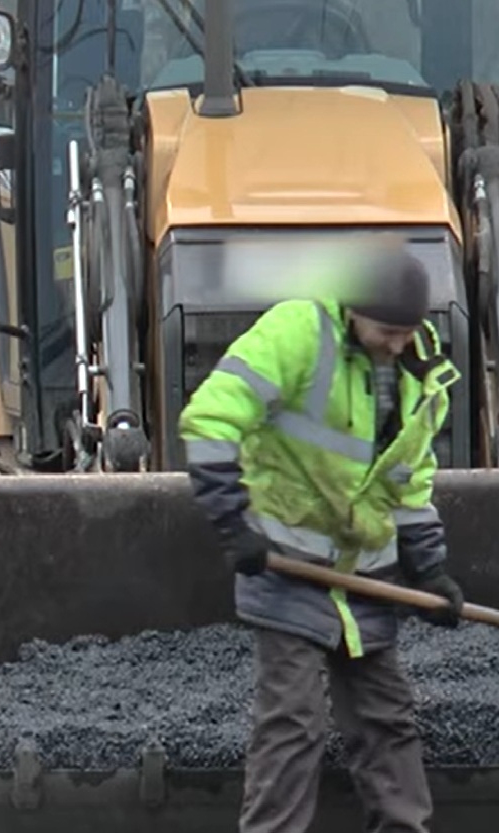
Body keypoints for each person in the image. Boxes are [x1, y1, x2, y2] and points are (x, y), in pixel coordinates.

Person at [178, 236, 465, 833]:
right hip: (289, 566)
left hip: (369, 578)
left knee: (389, 719)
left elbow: (409, 483)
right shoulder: (298, 333)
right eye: (388, 330)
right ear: (354, 309)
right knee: (293, 721)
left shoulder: (420, 371)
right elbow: (209, 417)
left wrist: (428, 566)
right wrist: (233, 521)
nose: (399, 343)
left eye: (408, 331)